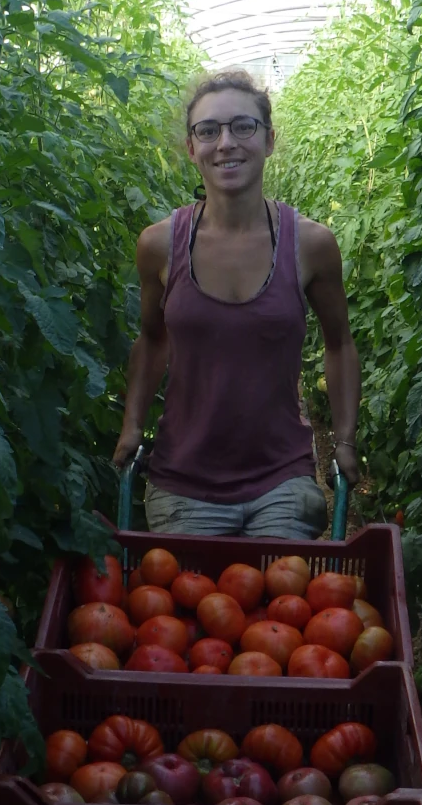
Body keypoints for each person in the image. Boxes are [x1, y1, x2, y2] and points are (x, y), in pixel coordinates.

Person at [113, 69, 361, 539]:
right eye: (208, 130)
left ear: (269, 140)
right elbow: (151, 339)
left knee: (280, 588)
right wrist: (132, 426)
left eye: (243, 126)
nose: (226, 142)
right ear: (191, 148)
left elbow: (340, 344)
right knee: (191, 591)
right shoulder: (160, 245)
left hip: (281, 481)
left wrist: (344, 441)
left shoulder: (310, 245)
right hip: (183, 481)